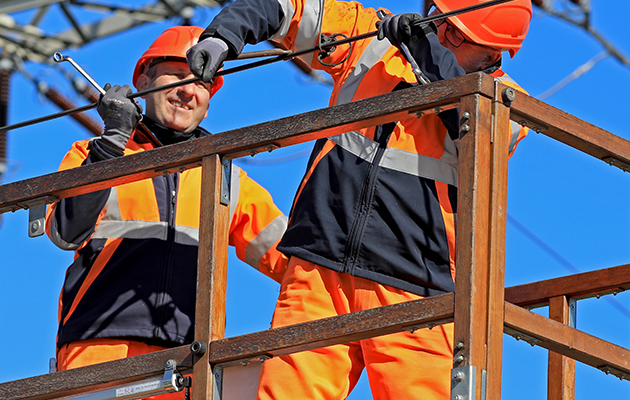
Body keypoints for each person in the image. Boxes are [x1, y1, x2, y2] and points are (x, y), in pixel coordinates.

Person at [186, 0, 532, 398]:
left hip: (414, 289)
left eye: (455, 33)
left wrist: (426, 51)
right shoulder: (371, 36)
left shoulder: (505, 100)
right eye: (438, 19)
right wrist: (223, 37)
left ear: (493, 53)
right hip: (320, 271)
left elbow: (482, 130)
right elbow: (287, 7)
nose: (440, 33)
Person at [46, 25, 289, 399]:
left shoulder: (226, 178)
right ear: (142, 79)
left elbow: (294, 260)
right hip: (99, 349)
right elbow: (66, 230)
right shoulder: (94, 154)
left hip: (190, 360)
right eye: (176, 76)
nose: (189, 91)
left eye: (203, 84)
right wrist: (111, 144)